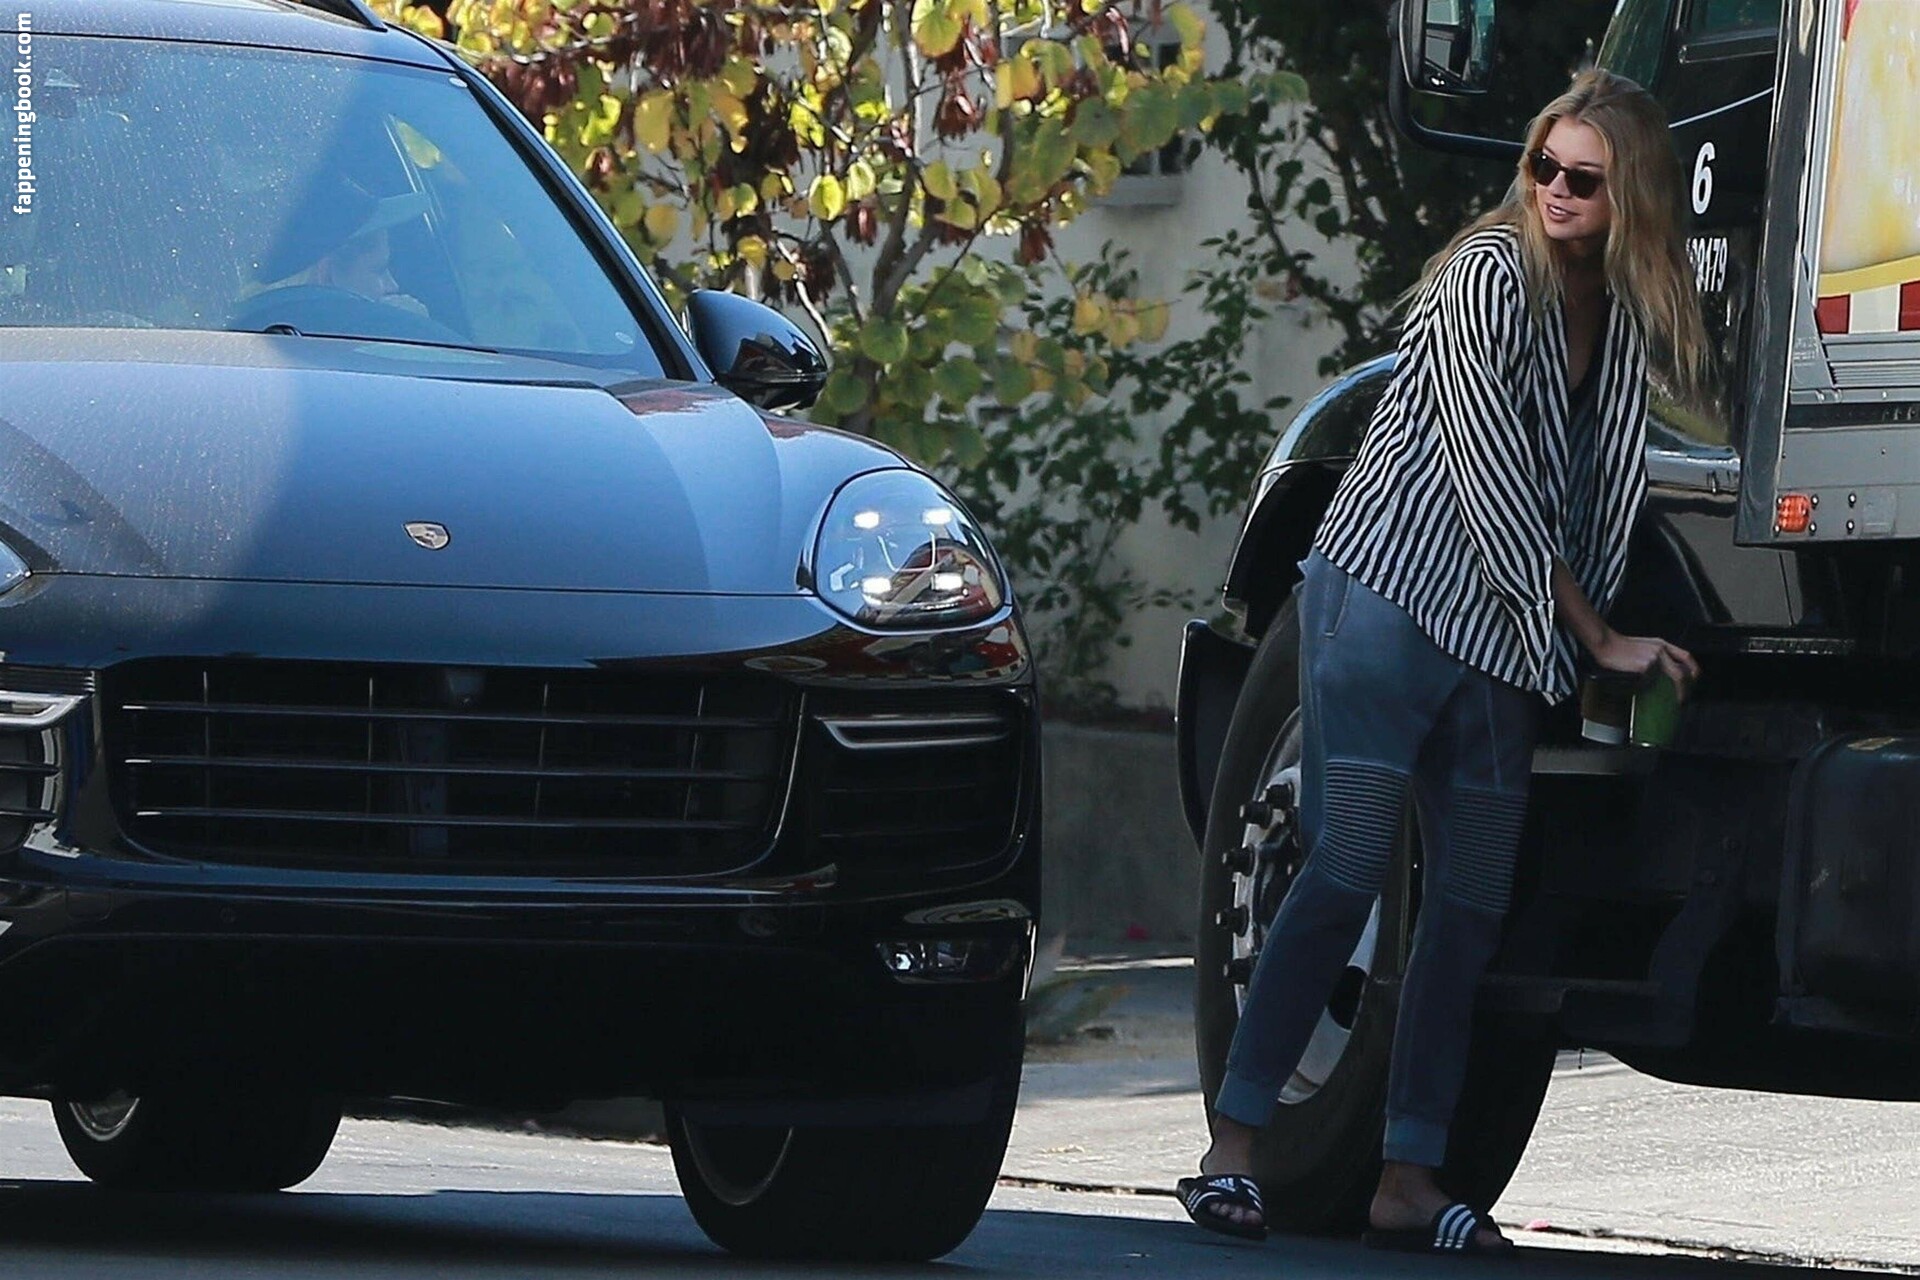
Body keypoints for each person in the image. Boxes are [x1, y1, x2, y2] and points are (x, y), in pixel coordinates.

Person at [1177, 68, 1707, 1254]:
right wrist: (1597, 634)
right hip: (1388, 602)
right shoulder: (1485, 276)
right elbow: (1493, 470)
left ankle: (1408, 1177)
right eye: (1544, 166)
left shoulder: (1619, 320)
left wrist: (1604, 649)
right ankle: (1234, 1149)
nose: (1557, 192)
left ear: (1629, 196)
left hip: (1500, 641)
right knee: (1347, 863)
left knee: (1468, 909)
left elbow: (1599, 496)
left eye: (1586, 179)